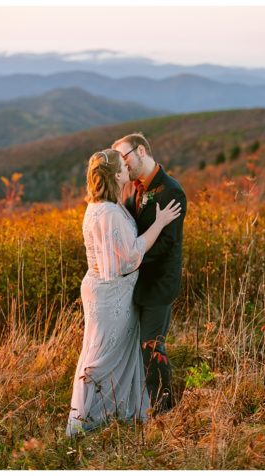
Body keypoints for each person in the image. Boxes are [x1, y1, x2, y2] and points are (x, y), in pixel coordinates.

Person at [66, 149, 181, 436]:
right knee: (103, 353)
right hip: (110, 294)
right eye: (123, 166)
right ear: (117, 175)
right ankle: (87, 418)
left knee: (113, 350)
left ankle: (115, 409)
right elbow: (130, 257)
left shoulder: (105, 205)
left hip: (109, 290)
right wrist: (160, 222)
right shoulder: (108, 212)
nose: (128, 168)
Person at [113, 132, 187, 414]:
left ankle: (165, 410)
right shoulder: (132, 189)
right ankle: (148, 402)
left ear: (141, 151)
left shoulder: (171, 191)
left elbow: (168, 242)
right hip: (136, 283)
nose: (124, 164)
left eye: (125, 157)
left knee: (152, 346)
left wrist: (132, 259)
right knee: (140, 346)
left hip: (158, 284)